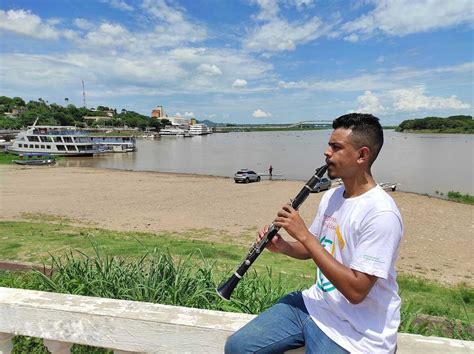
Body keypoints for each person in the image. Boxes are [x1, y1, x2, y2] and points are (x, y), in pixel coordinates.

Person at [225, 113, 403, 353]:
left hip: (358, 333)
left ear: (362, 155)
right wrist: (284, 246)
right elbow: (316, 248)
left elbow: (356, 291)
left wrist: (304, 235)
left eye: (336, 147)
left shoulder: (381, 214)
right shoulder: (332, 196)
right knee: (237, 347)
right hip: (317, 304)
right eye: (329, 145)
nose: (326, 152)